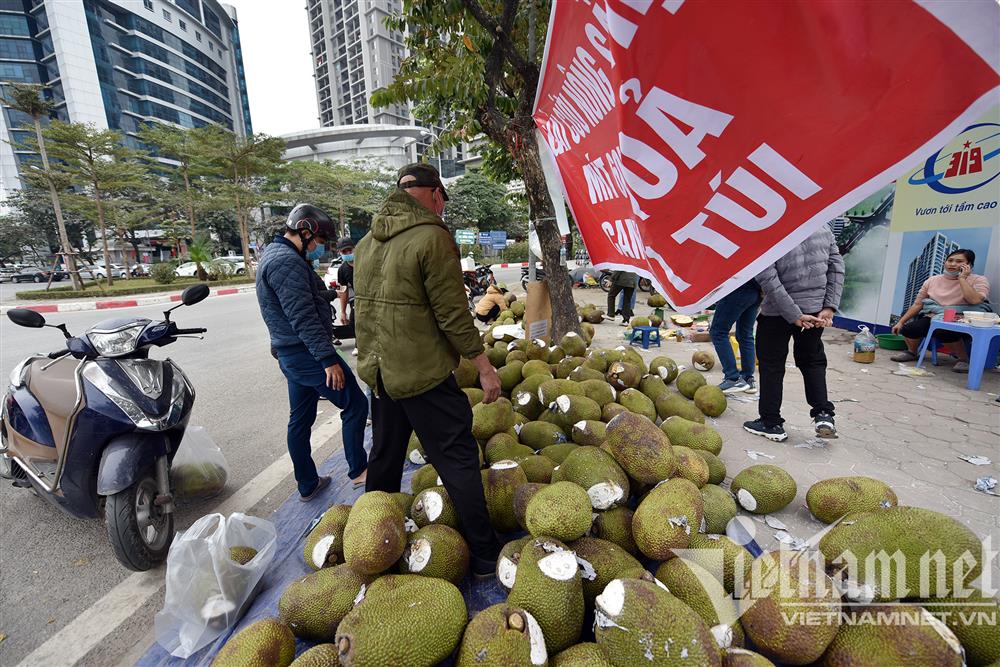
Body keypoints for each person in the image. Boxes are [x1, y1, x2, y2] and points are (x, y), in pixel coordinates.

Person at [353, 163, 502, 575]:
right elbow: (453, 316)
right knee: (458, 460)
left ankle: (372, 547)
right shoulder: (433, 238)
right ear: (436, 195)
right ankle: (486, 555)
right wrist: (484, 367)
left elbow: (361, 315)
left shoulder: (366, 242)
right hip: (422, 376)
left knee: (384, 458)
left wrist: (373, 366)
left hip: (381, 376)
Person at [256, 204, 369, 499]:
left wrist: (331, 294)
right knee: (355, 405)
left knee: (301, 419)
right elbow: (301, 316)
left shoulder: (277, 254)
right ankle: (359, 471)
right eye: (319, 242)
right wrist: (328, 360)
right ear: (305, 231)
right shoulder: (286, 262)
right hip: (307, 353)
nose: (319, 249)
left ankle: (307, 484)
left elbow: (294, 300)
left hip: (291, 353)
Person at [743, 226, 844, 443]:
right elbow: (836, 267)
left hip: (777, 313)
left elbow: (767, 277)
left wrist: (794, 314)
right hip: (815, 312)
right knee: (813, 362)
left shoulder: (771, 229)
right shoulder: (823, 228)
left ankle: (771, 423)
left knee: (772, 366)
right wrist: (829, 307)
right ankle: (823, 414)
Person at [890, 249, 990, 373]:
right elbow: (918, 304)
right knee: (909, 329)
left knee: (943, 331)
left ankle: (963, 359)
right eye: (950, 260)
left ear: (969, 265)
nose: (952, 264)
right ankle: (912, 352)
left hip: (963, 319)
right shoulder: (932, 280)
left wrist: (962, 279)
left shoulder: (979, 280)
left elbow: (975, 300)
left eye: (959, 261)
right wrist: (900, 322)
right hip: (935, 316)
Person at [710, 279, 762, 394]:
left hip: (737, 287)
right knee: (745, 334)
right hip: (755, 291)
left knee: (718, 332)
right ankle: (748, 379)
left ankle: (733, 378)